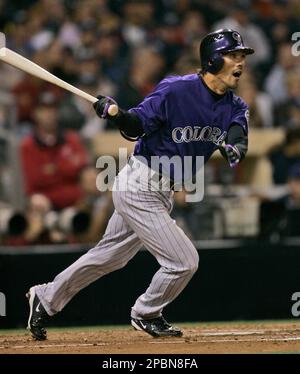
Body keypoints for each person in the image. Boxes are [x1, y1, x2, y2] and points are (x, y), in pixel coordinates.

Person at [26, 29, 253, 340]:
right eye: (234, 55)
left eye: (242, 56)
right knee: (184, 261)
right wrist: (117, 115)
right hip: (139, 184)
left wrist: (232, 149)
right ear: (213, 60)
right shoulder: (176, 90)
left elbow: (239, 142)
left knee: (110, 256)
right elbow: (137, 126)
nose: (240, 62)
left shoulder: (235, 106)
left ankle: (46, 296)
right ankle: (146, 312)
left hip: (163, 191)